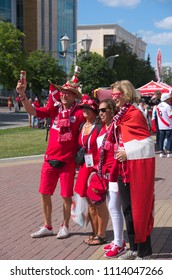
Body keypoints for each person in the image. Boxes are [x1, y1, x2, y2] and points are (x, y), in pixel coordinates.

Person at [16, 79, 85, 239]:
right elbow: (32, 111)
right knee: (44, 193)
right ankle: (48, 226)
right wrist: (22, 95)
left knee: (66, 196)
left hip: (67, 163)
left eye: (68, 93)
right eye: (62, 92)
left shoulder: (79, 113)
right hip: (49, 161)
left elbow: (93, 123)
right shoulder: (53, 109)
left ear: (74, 96)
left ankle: (65, 226)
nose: (64, 95)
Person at [108, 80, 155, 260]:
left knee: (140, 209)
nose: (114, 99)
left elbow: (147, 143)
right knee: (127, 210)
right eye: (112, 95)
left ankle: (144, 252)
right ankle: (134, 247)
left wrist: (128, 152)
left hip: (135, 168)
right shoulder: (120, 115)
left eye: (116, 95)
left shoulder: (134, 114)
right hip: (123, 169)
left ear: (126, 95)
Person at [156, 92, 172, 158]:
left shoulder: (158, 106)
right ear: (165, 99)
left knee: (161, 139)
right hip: (168, 125)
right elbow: (170, 116)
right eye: (168, 99)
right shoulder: (168, 106)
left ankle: (161, 152)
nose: (169, 100)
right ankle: (168, 152)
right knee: (169, 139)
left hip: (161, 125)